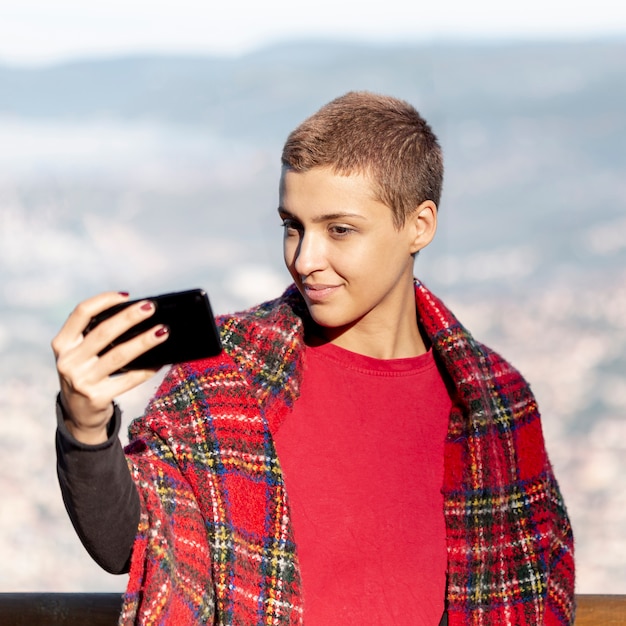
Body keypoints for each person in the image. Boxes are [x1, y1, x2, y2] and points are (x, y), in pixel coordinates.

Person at [53, 92, 575, 625]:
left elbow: (532, 591)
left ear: (419, 225)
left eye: (339, 230)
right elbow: (132, 546)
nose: (305, 259)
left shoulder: (496, 404)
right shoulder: (225, 376)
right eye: (292, 225)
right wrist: (86, 427)